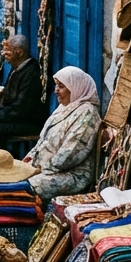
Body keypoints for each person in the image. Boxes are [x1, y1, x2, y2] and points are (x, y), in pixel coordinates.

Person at [23, 66, 102, 200]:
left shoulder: (87, 113)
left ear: (76, 87)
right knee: (10, 175)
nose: (56, 91)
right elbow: (43, 141)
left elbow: (70, 154)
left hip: (71, 174)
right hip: (44, 167)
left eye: (61, 86)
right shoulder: (64, 107)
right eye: (56, 86)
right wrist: (29, 160)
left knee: (25, 186)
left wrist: (40, 169)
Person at [0, 35, 47, 157]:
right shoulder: (16, 68)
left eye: (7, 50)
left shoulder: (31, 73)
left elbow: (21, 109)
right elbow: (7, 100)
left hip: (28, 122)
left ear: (19, 52)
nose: (3, 53)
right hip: (15, 118)